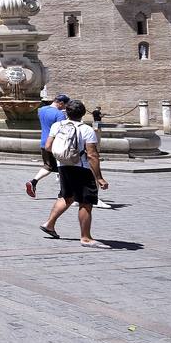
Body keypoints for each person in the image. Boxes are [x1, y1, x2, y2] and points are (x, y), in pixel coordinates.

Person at [39, 99, 110, 248]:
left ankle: (49, 224)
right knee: (86, 202)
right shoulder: (86, 130)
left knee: (67, 196)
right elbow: (92, 155)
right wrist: (99, 177)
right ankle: (86, 237)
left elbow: (48, 146)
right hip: (81, 168)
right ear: (83, 114)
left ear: (66, 112)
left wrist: (63, 156)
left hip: (63, 166)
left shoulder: (57, 126)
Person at [25, 93, 69, 199]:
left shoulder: (42, 110)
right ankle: (63, 192)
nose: (65, 107)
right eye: (65, 105)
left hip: (44, 142)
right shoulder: (60, 115)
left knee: (48, 166)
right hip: (55, 143)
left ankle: (33, 182)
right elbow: (62, 131)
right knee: (64, 167)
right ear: (61, 103)